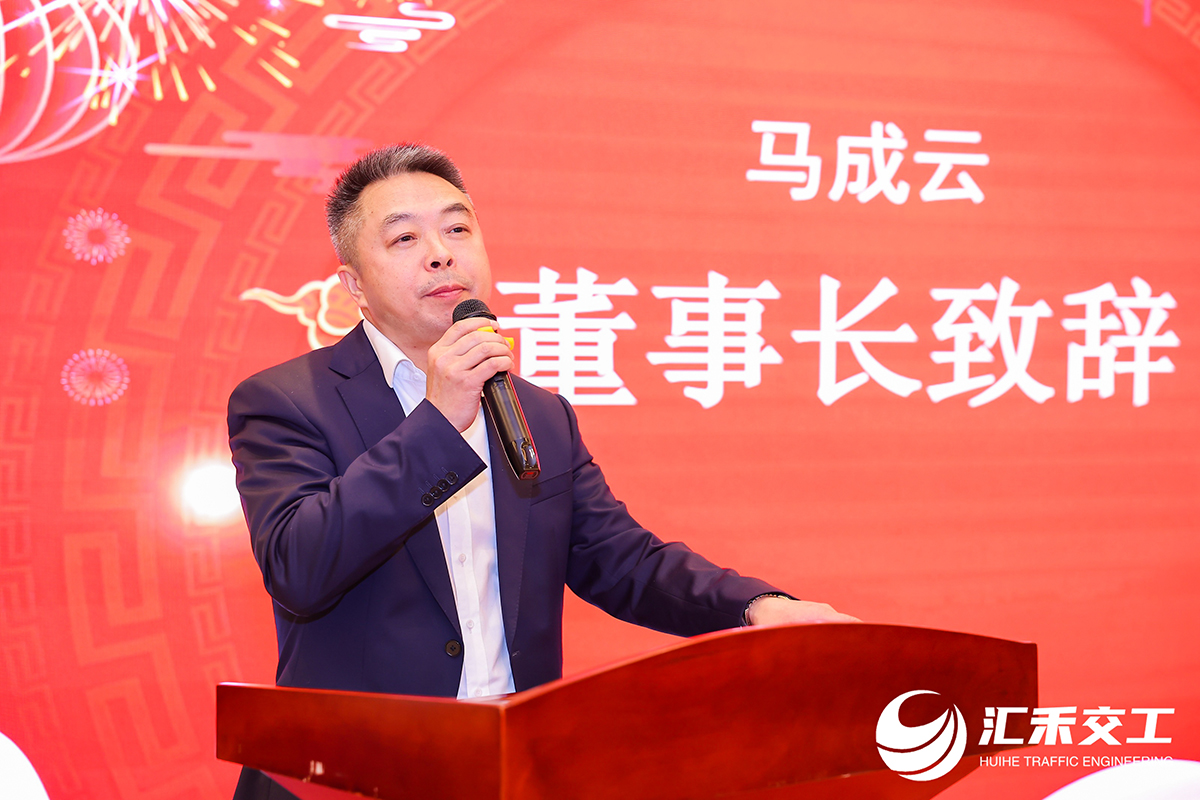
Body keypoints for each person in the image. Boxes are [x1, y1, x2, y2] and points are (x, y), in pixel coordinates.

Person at [227, 144, 856, 799]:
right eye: (405, 238)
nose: (441, 253)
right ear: (354, 284)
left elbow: (621, 560)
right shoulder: (286, 400)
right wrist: (438, 423)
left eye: (457, 228)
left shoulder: (539, 414)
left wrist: (755, 608)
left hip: (505, 772)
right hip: (340, 777)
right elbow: (299, 569)